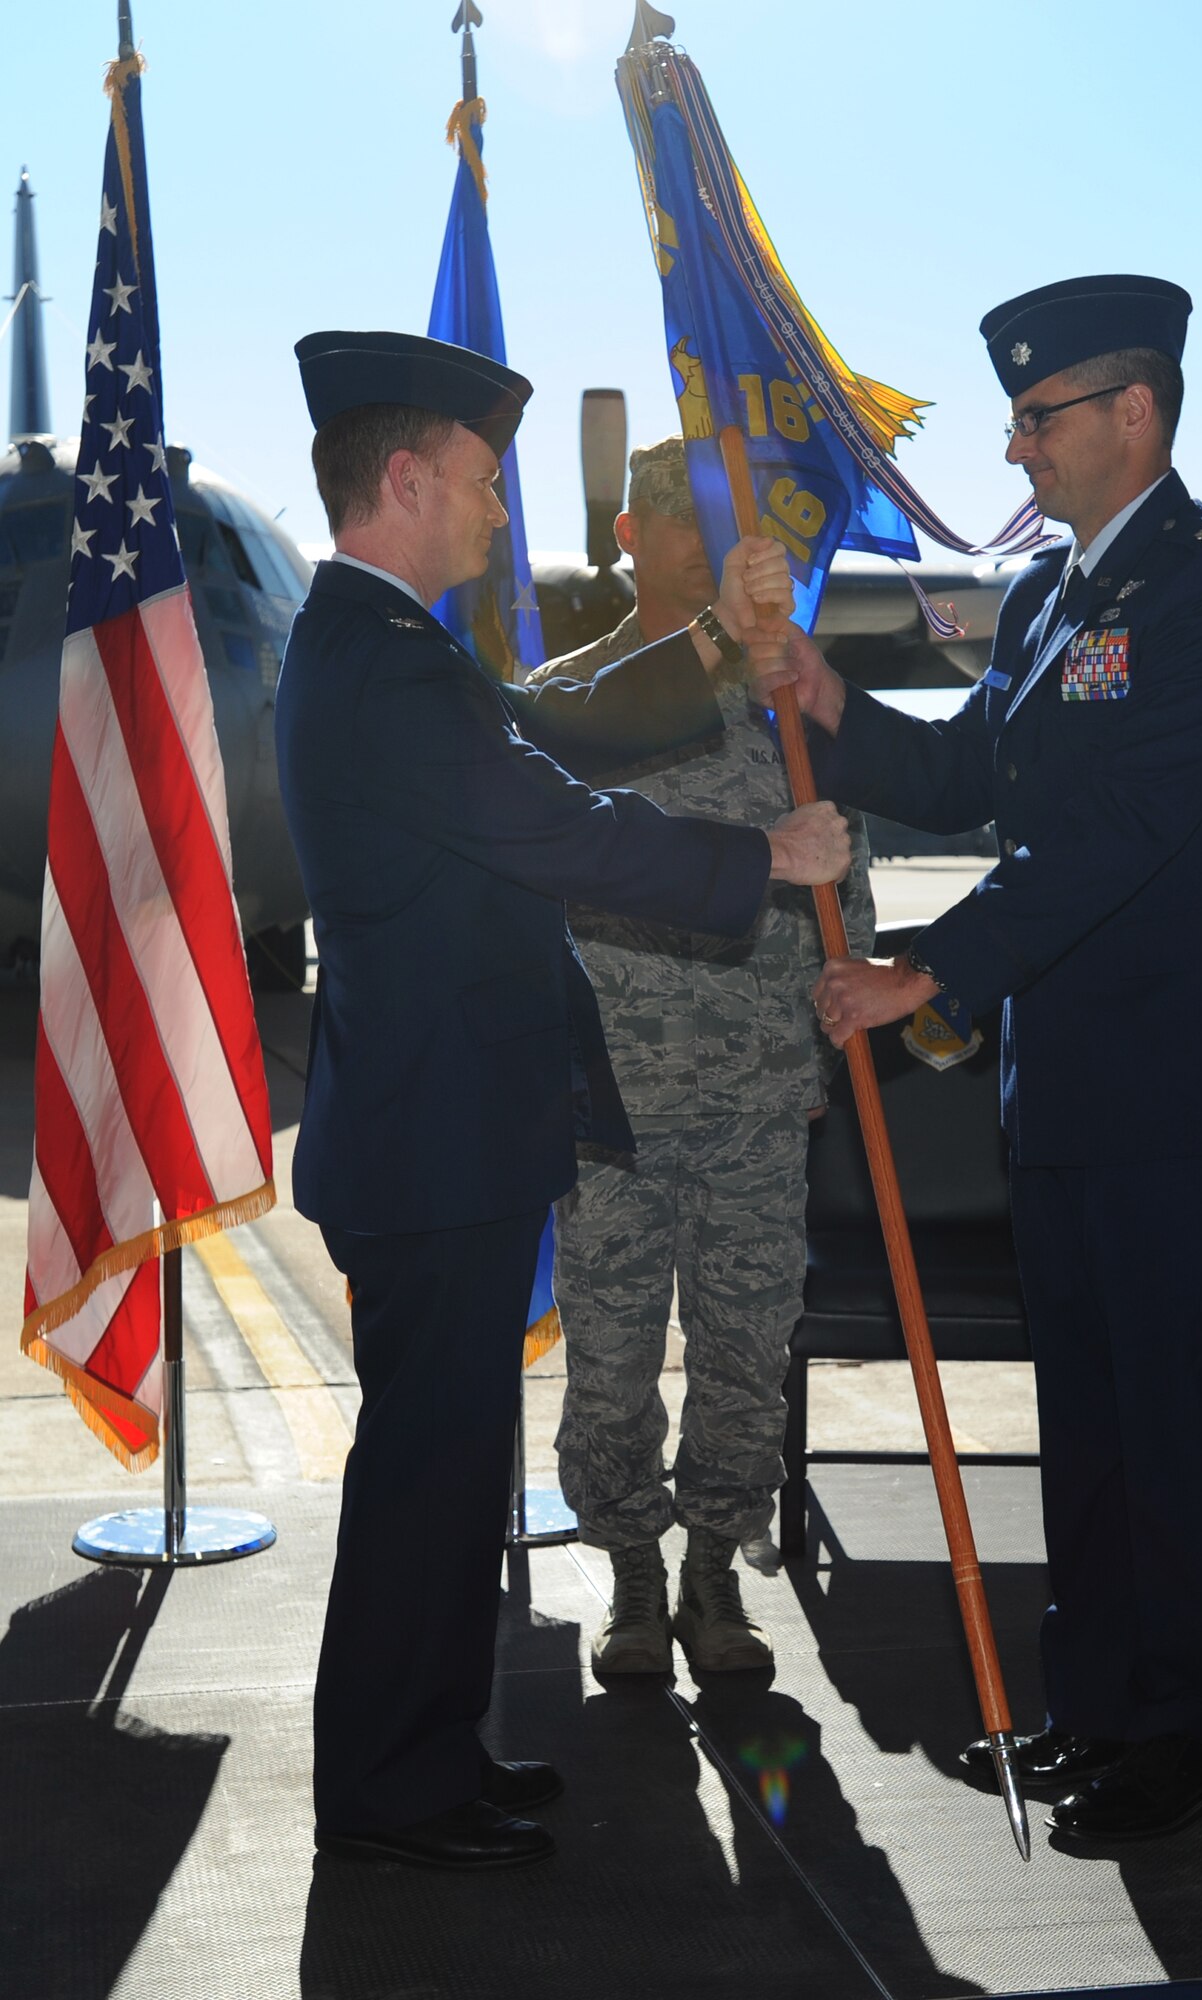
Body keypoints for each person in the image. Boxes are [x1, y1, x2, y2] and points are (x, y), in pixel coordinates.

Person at [274, 330, 851, 1872]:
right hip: (435, 1139)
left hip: (437, 1128)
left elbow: (556, 731)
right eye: (473, 482)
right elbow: (550, 819)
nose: (491, 514)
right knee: (426, 1479)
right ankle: (395, 1790)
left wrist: (722, 643)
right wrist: (758, 863)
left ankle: (428, 1756)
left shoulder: (381, 647)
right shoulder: (381, 661)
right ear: (403, 478)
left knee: (449, 1473)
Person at [751, 276, 1202, 1842]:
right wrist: (827, 697)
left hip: (1194, 1105)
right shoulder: (1052, 596)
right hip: (1066, 1094)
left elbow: (1115, 837)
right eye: (1013, 415)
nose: (1013, 448)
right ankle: (1100, 1707)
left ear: (1133, 414)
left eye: (1036, 415)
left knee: (1175, 1432)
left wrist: (925, 969)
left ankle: (1193, 1734)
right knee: (1084, 1427)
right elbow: (962, 772)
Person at [526, 437, 876, 1675]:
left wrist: (840, 1019)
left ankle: (714, 1576)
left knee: (744, 1348)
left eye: (719, 516)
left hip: (754, 1097)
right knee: (611, 1361)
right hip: (611, 1104)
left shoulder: (785, 699)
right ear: (627, 534)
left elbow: (844, 861)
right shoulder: (568, 703)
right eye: (673, 513)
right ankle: (630, 1575)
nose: (699, 538)